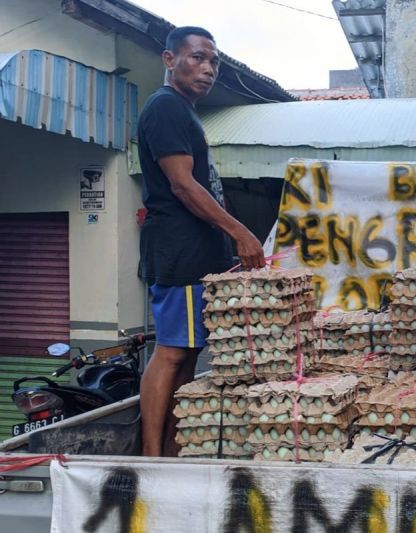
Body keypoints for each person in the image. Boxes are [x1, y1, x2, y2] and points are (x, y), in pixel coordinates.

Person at [137, 26, 266, 456]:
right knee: (172, 353)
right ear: (169, 59)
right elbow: (183, 186)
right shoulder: (167, 108)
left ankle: (172, 451)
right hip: (180, 249)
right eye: (197, 57)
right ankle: (152, 457)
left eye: (213, 61)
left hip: (197, 252)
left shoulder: (185, 111)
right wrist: (241, 231)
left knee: (189, 354)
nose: (208, 68)